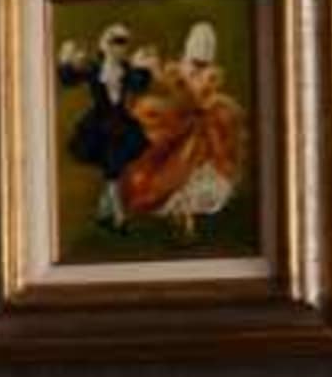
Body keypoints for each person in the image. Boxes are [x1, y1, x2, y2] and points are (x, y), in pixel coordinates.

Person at [117, 15, 245, 240]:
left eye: (203, 57)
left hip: (196, 131)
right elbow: (176, 98)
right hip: (179, 124)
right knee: (153, 142)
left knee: (194, 145)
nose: (197, 64)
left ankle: (182, 211)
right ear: (187, 49)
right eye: (194, 55)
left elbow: (197, 101)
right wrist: (154, 73)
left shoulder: (211, 78)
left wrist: (170, 81)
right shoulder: (177, 70)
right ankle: (163, 204)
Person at [59, 21, 149, 225]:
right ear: (105, 44)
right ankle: (118, 214)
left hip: (122, 121)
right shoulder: (94, 67)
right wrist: (66, 59)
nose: (120, 48)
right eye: (115, 43)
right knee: (112, 166)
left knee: (114, 167)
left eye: (123, 44)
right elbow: (69, 78)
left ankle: (104, 211)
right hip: (99, 123)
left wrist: (144, 68)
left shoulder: (126, 68)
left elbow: (139, 85)